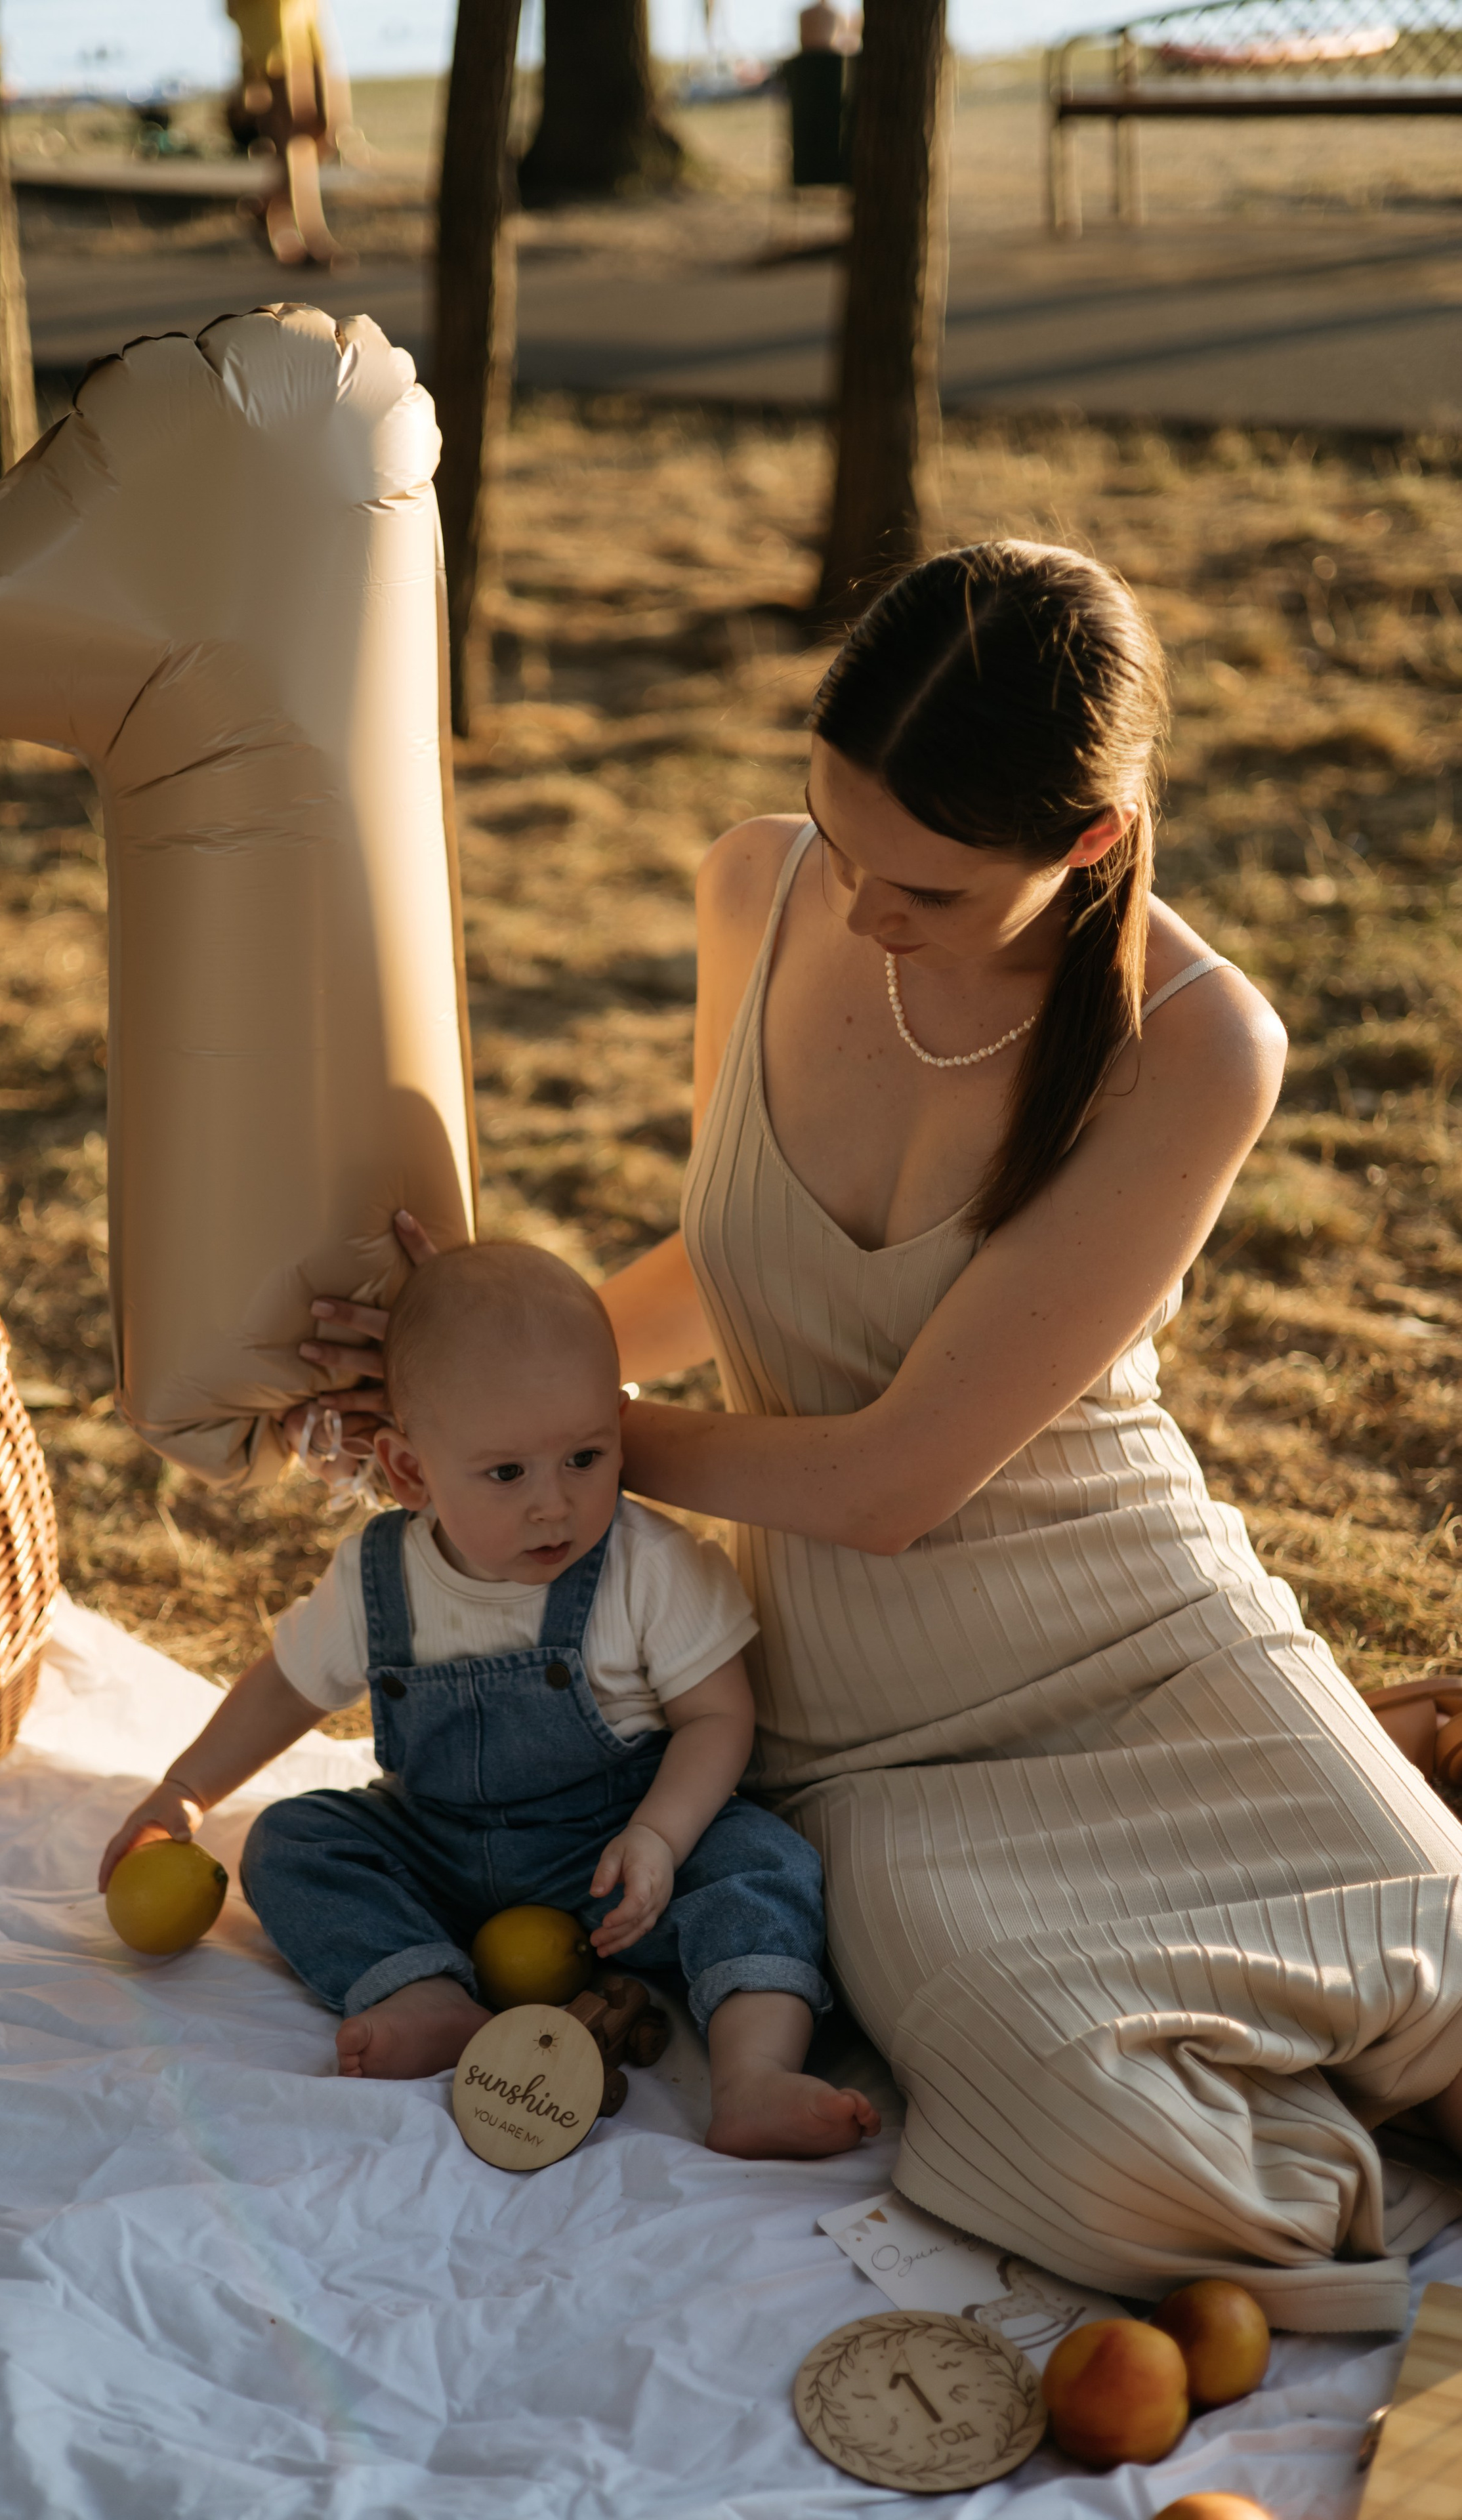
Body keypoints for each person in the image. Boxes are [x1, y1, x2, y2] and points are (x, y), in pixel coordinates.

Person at [299, 543, 1462, 2330]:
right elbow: (722, 1259)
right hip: (872, 1738)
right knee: (1101, 2167)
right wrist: (488, 1391)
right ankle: (1328, 2111)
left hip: (1148, 1644)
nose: (853, 908)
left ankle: (1342, 1988)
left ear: (1082, 847)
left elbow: (894, 1481)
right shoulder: (758, 888)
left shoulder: (1200, 1040)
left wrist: (559, 1445)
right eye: (839, 840)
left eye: (916, 882)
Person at [102, 1242, 877, 2161]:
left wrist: (662, 1840)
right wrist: (183, 1792)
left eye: (586, 1456)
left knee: (759, 1862)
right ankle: (423, 1992)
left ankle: (753, 2076)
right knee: (293, 1840)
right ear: (409, 1471)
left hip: (610, 1867)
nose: (555, 1505)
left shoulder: (644, 1565)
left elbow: (719, 1716)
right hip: (435, 1848)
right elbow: (286, 1687)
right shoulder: (381, 1577)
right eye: (507, 1474)